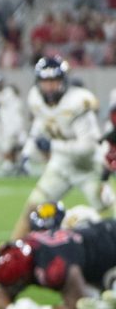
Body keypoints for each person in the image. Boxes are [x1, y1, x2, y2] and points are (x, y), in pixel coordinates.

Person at [11, 56, 112, 240]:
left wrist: (53, 146)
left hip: (88, 167)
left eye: (54, 81)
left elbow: (88, 147)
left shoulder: (77, 102)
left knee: (109, 218)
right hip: (61, 165)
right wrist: (27, 154)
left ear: (63, 81)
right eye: (45, 82)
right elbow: (39, 127)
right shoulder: (35, 98)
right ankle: (13, 258)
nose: (49, 87)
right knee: (32, 210)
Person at [0, 219, 116, 309]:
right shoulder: (24, 251)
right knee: (95, 293)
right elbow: (2, 293)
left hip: (110, 246)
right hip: (100, 235)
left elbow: (78, 307)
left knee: (97, 298)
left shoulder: (54, 266)